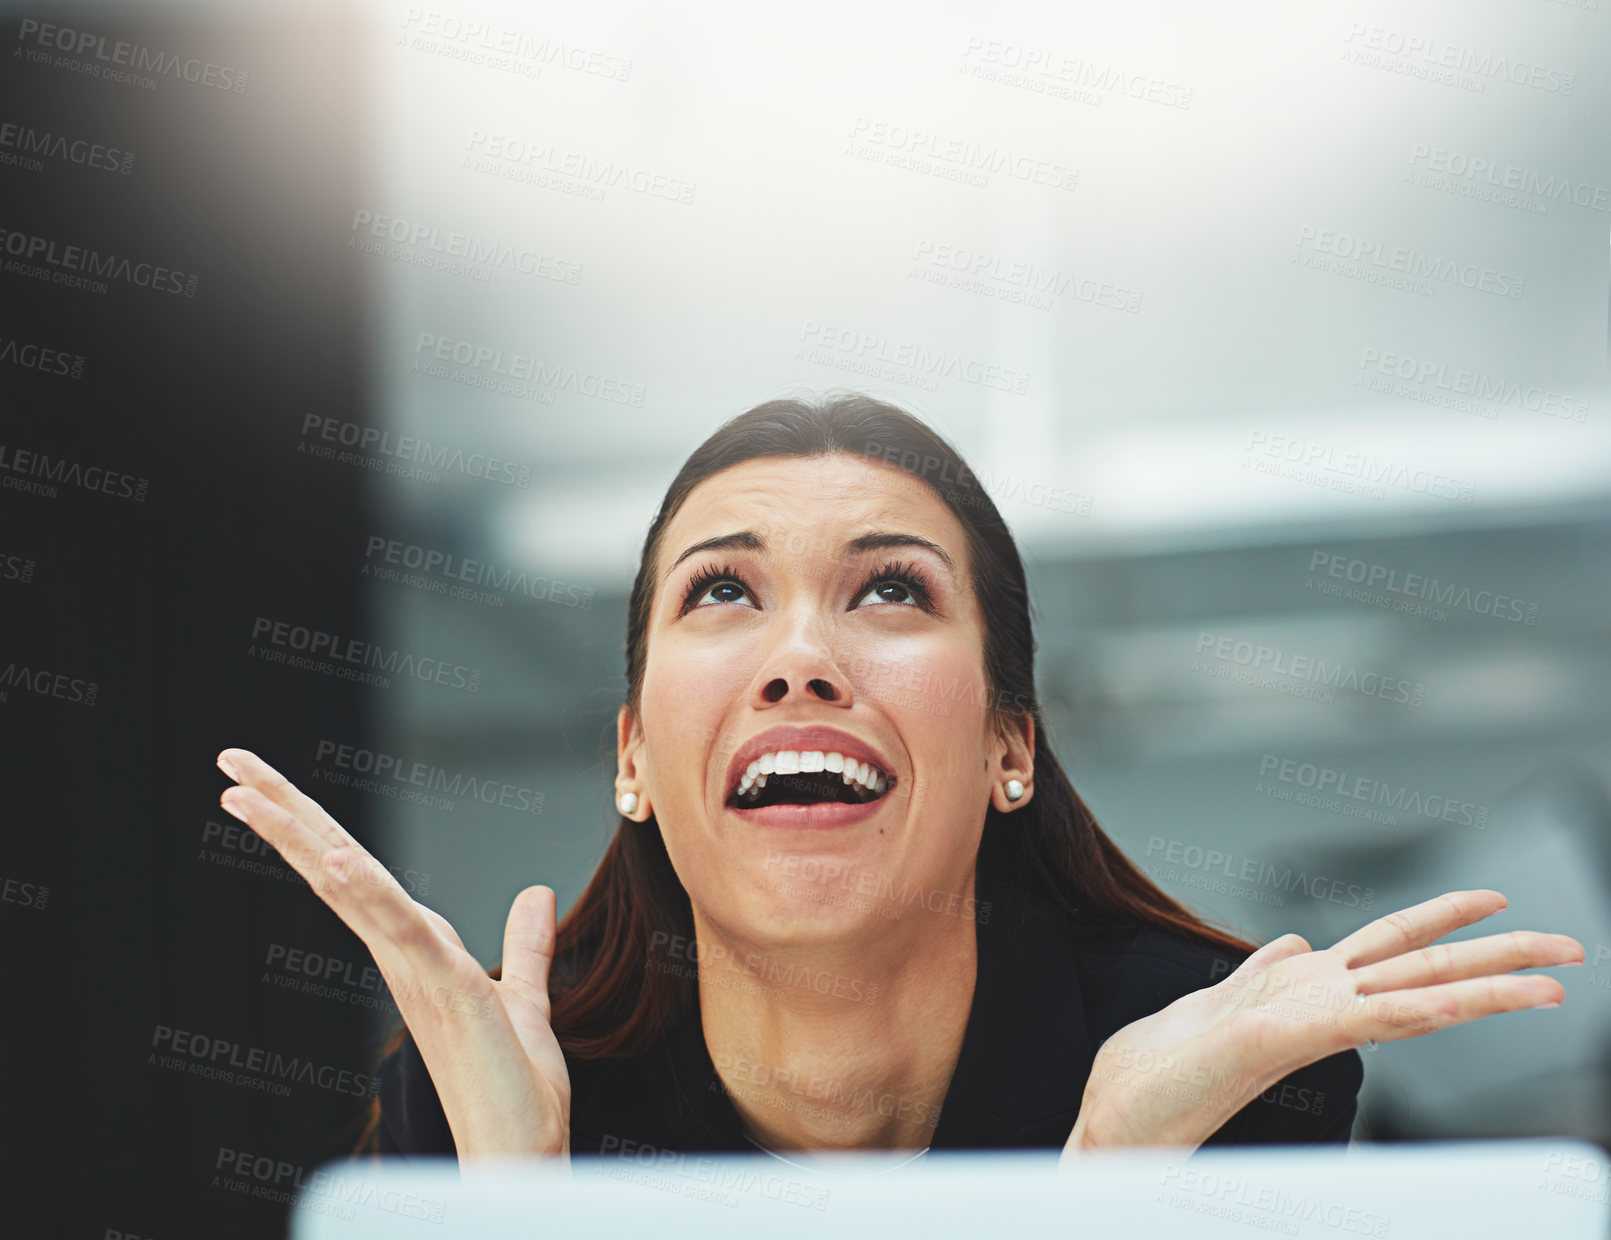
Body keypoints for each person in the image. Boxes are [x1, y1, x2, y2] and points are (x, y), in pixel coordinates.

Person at [214, 392, 1582, 1164]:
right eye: (726, 591)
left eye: (887, 590)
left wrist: (1116, 1179)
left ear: (1009, 748)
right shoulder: (490, 1114)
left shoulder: (1221, 1079)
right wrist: (525, 1216)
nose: (800, 654)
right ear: (633, 757)